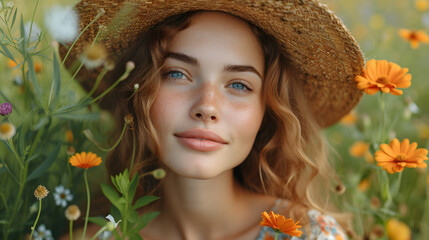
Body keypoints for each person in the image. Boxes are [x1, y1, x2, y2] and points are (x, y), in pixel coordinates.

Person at [62, 0, 364, 239]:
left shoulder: (308, 235)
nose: (207, 107)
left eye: (239, 85)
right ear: (136, 91)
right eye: (177, 74)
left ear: (268, 111)